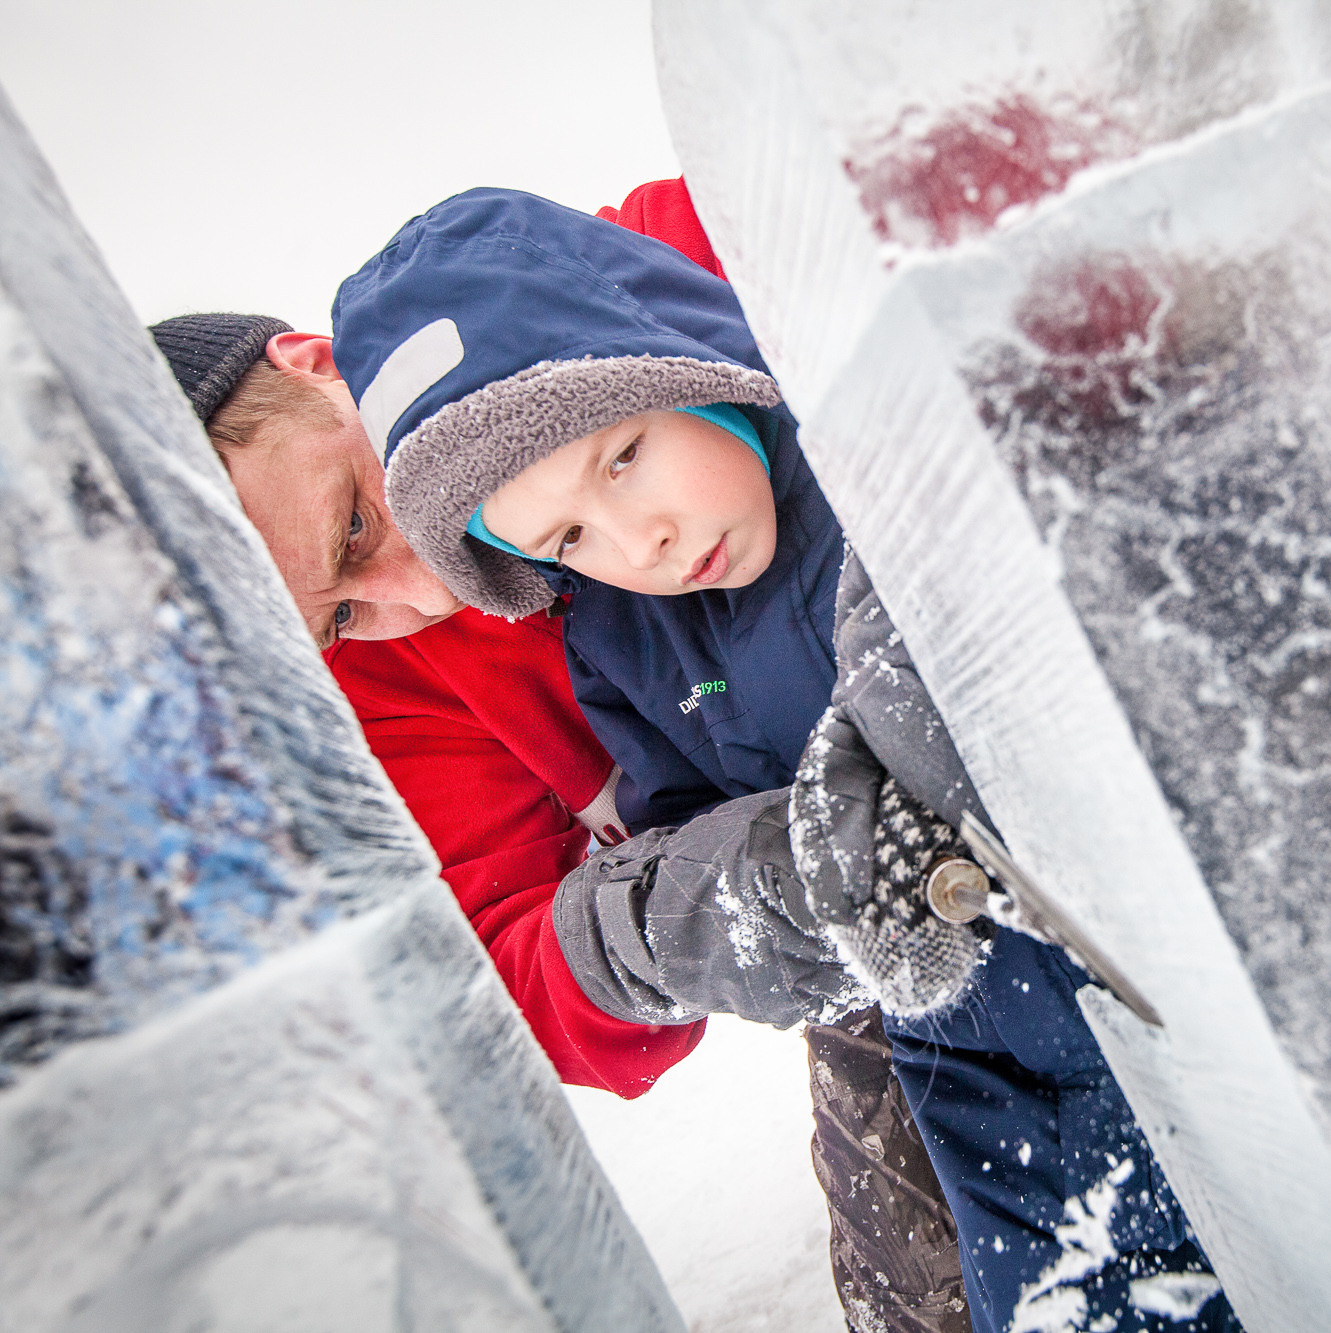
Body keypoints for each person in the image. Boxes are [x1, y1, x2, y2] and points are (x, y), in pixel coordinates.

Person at [329, 185, 1238, 1332]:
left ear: (677, 366)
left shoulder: (868, 436)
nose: (637, 541)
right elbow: (676, 835)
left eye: (621, 459)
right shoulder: (618, 636)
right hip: (976, 1050)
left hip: (1179, 944)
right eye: (566, 540)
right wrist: (766, 885)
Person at [147, 182, 970, 1333]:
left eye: (351, 522)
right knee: (935, 1291)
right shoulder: (390, 689)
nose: (415, 593)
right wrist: (706, 908)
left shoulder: (655, 267)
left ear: (318, 364)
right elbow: (516, 968)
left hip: (1047, 716)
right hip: (878, 926)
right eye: (335, 617)